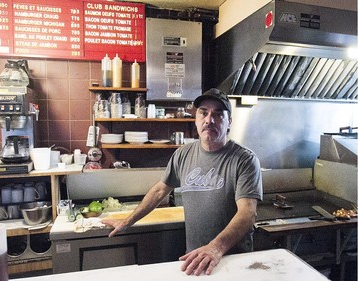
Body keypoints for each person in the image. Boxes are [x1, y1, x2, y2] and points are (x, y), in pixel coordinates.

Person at [101, 88, 263, 276]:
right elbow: (159, 191)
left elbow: (247, 213)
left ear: (229, 122)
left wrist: (215, 248)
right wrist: (127, 221)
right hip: (196, 257)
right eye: (204, 112)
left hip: (233, 259)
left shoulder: (244, 160)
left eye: (218, 114)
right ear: (196, 118)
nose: (209, 120)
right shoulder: (183, 154)